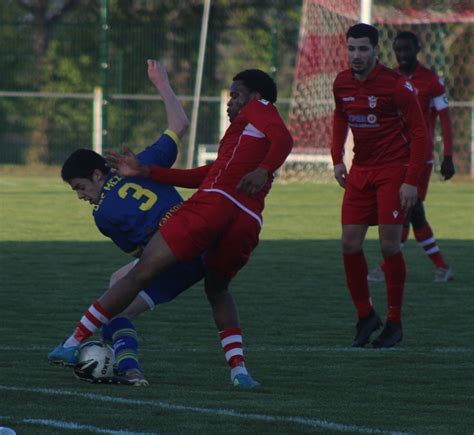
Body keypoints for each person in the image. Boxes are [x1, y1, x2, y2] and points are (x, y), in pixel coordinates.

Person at [53, 68, 293, 388]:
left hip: (210, 211)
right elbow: (203, 172)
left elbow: (285, 139)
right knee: (217, 289)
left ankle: (73, 343)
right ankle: (239, 371)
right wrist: (147, 170)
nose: (229, 102)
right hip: (247, 221)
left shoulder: (259, 109)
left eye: (235, 94)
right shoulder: (244, 135)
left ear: (254, 96)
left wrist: (264, 170)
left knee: (136, 276)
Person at [48, 60, 204, 386]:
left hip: (173, 257)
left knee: (116, 301)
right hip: (202, 241)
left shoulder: (103, 214)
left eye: (80, 187)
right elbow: (180, 122)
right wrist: (161, 82)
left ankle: (121, 365)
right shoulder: (140, 163)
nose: (81, 196)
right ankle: (129, 369)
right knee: (117, 287)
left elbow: (144, 255)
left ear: (96, 174)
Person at [331, 24, 428, 348]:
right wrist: (336, 158)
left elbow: (420, 134)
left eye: (362, 49)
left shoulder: (395, 86)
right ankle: (365, 315)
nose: (356, 55)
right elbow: (340, 116)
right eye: (351, 49)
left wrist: (411, 182)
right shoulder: (342, 82)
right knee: (349, 243)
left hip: (393, 170)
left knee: (389, 245)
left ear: (375, 50)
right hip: (361, 171)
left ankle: (394, 323)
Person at [367, 31, 455, 284]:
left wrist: (447, 155)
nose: (402, 55)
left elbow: (445, 120)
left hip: (421, 157)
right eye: (398, 50)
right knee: (406, 213)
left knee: (411, 211)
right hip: (396, 156)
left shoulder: (431, 81)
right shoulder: (391, 79)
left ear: (417, 49)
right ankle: (400, 267)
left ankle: (433, 266)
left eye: (407, 50)